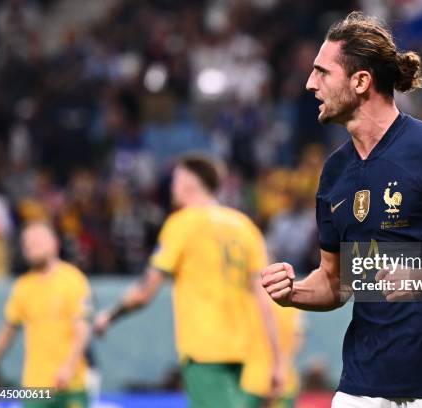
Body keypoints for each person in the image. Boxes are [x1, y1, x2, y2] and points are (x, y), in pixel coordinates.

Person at [261, 11, 422, 408]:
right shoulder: (334, 173)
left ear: (361, 81)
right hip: (361, 388)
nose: (309, 83)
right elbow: (335, 283)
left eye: (322, 72)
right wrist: (293, 291)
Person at [93, 155, 282, 408]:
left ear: (189, 182)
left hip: (204, 346)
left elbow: (144, 292)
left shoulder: (182, 223)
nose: (171, 187)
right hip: (243, 348)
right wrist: (278, 359)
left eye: (175, 180)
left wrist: (110, 315)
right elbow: (265, 299)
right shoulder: (245, 226)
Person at [0, 222, 92, 408]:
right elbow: (7, 333)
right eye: (26, 243)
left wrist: (69, 366)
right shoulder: (23, 286)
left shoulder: (73, 280)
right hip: (36, 387)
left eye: (37, 240)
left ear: (54, 244)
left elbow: (82, 329)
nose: (30, 246)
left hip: (71, 384)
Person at [241, 299, 303, 408]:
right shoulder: (293, 302)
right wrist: (283, 365)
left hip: (250, 379)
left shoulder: (248, 298)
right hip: (283, 380)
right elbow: (298, 336)